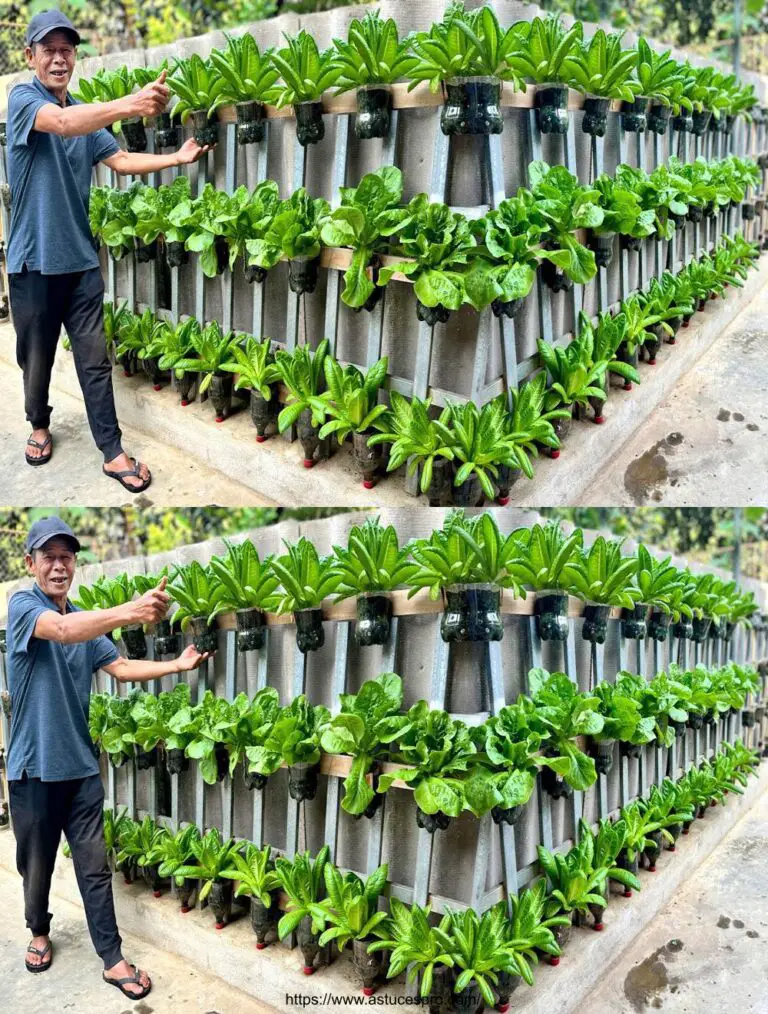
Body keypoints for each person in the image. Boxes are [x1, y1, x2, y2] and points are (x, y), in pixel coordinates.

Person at [6, 515, 214, 1000]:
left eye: (66, 557)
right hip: (33, 769)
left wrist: (177, 665)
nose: (58, 567)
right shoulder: (23, 606)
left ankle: (111, 957)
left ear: (74, 563)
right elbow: (59, 630)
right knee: (34, 867)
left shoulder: (83, 620)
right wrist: (131, 612)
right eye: (48, 557)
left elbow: (119, 666)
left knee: (94, 866)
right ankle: (38, 929)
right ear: (30, 563)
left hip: (80, 768)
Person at [6, 9, 215, 492]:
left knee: (95, 360)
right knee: (34, 361)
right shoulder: (23, 99)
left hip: (80, 262)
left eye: (66, 50)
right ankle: (38, 422)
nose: (59, 59)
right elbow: (59, 122)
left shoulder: (82, 112)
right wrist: (130, 105)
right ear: (30, 56)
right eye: (49, 50)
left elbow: (119, 159)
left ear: (74, 56)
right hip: (33, 264)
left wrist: (177, 158)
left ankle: (111, 451)